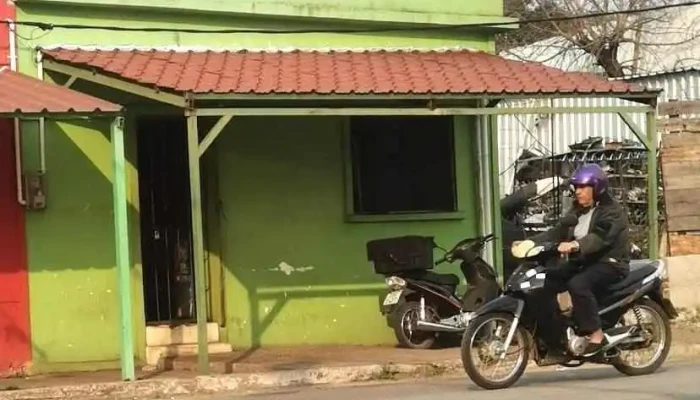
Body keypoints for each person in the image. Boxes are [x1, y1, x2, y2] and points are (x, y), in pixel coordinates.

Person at [527, 163, 630, 356]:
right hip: (585, 261)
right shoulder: (577, 211)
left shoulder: (612, 211)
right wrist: (528, 244)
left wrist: (576, 245)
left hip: (610, 263)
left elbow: (600, 237)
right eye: (577, 188)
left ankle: (596, 334)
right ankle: (556, 332)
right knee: (545, 281)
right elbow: (557, 232)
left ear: (597, 187)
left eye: (583, 187)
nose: (578, 192)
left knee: (577, 284)